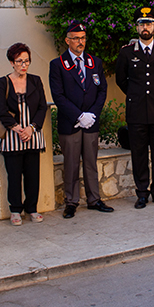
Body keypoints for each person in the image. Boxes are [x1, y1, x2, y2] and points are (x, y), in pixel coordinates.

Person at [115, 6, 154, 209]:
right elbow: (121, 80)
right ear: (137, 28)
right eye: (142, 23)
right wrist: (136, 96)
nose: (145, 27)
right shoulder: (126, 53)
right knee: (139, 154)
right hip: (137, 113)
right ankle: (142, 193)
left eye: (149, 23)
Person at [49, 22, 114, 219]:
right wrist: (79, 116)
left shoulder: (95, 62)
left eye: (83, 38)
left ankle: (94, 199)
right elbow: (58, 96)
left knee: (90, 163)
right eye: (76, 38)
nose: (80, 42)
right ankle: (71, 201)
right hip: (71, 123)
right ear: (67, 40)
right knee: (71, 164)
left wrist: (92, 114)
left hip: (90, 123)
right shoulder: (58, 64)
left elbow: (102, 90)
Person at [0, 43, 48, 226]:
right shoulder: (2, 83)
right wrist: (18, 128)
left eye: (26, 61)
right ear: (11, 62)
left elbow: (42, 107)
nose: (23, 65)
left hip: (32, 135)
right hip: (12, 137)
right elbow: (1, 110)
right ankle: (15, 210)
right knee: (14, 175)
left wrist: (31, 128)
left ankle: (32, 208)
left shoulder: (35, 80)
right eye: (19, 61)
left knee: (33, 175)